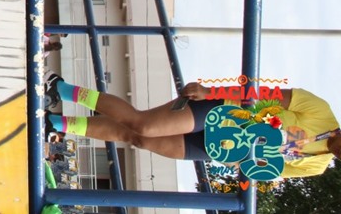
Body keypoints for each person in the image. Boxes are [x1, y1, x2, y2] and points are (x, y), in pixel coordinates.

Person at [44, 76, 341, 179]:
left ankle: (57, 123)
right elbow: (263, 94)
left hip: (220, 148)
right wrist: (211, 91)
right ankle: (63, 89)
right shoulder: (321, 111)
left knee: (138, 139)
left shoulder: (316, 166)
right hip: (221, 112)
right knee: (143, 124)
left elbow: (266, 170)